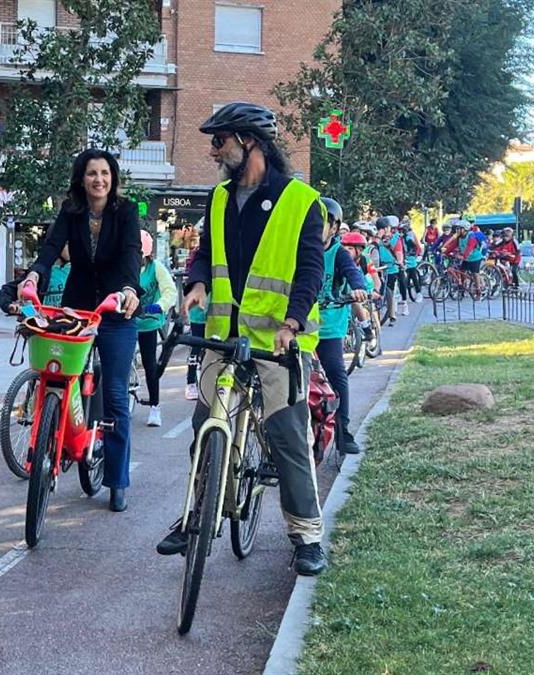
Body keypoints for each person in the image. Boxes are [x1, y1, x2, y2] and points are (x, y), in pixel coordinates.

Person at [155, 101, 329, 576]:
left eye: (219, 140)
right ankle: (196, 514)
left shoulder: (301, 201)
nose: (212, 150)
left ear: (249, 141)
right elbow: (205, 255)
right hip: (223, 338)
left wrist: (292, 324)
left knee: (288, 437)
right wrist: (195, 284)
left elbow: (311, 271)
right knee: (204, 426)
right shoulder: (218, 198)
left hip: (279, 342)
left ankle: (306, 535)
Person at [19, 148, 142, 512]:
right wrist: (35, 274)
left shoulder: (127, 212)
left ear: (113, 178)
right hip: (78, 309)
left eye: (105, 173)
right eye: (92, 173)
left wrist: (129, 290)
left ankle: (117, 479)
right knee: (60, 377)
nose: (99, 180)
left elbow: (132, 254)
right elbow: (51, 248)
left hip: (117, 309)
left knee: (117, 395)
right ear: (81, 178)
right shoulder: (71, 212)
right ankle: (58, 437)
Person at [316, 198, 370, 456]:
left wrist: (358, 288)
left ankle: (343, 430)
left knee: (337, 374)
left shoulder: (338, 253)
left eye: (321, 222)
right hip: (300, 327)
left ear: (334, 228)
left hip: (328, 329)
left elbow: (352, 271)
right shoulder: (301, 249)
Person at [136, 230, 178, 427]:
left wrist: (159, 305)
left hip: (147, 321)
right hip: (126, 321)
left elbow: (170, 291)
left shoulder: (156, 268)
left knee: (149, 364)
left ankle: (154, 407)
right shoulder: (126, 266)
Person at [184, 233, 206, 401]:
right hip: (199, 313)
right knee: (197, 348)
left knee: (209, 351)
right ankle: (191, 383)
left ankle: (202, 383)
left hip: (214, 314)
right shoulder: (199, 260)